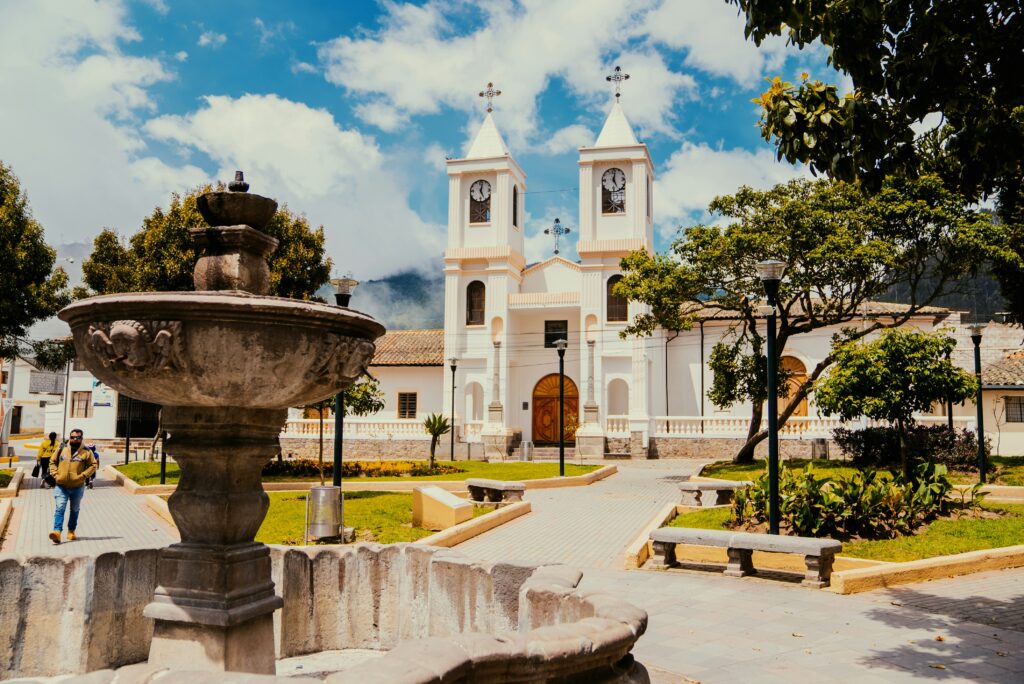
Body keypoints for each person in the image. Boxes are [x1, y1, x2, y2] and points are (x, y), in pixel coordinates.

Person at [48, 428, 97, 544]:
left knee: (74, 510)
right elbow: (52, 462)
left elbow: (93, 465)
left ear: (81, 438)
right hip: (61, 486)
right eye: (72, 437)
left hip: (77, 487)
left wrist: (82, 476)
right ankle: (57, 532)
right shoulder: (61, 449)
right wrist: (56, 475)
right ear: (69, 437)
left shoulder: (86, 452)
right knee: (60, 508)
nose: (75, 439)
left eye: (78, 437)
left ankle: (71, 530)